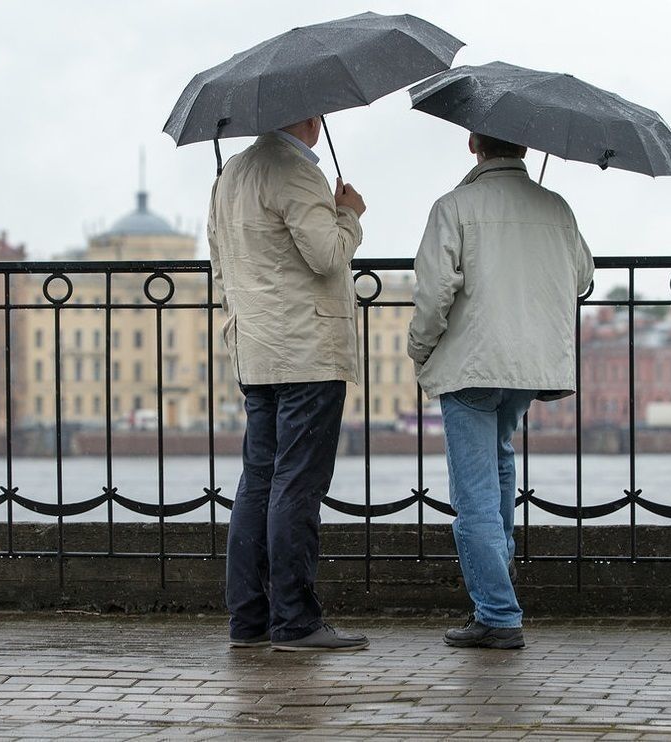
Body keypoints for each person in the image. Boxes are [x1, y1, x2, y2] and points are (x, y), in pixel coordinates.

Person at [407, 133, 594, 649]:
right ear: (528, 148)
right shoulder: (556, 208)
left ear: (473, 145)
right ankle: (496, 600)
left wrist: (420, 350)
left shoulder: (454, 207)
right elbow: (582, 277)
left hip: (471, 364)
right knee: (500, 468)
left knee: (475, 497)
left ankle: (497, 613)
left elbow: (434, 291)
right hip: (527, 367)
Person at [208, 115, 369, 652]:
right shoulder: (295, 173)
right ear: (307, 118)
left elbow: (220, 267)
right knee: (297, 484)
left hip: (254, 349)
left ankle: (248, 620)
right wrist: (349, 216)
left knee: (258, 482)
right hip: (307, 350)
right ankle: (296, 621)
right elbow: (326, 256)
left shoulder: (230, 175)